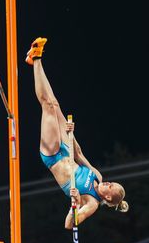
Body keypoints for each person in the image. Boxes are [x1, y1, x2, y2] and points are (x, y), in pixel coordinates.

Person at [26, 37, 129, 229]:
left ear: (107, 196)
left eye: (110, 186)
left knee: (47, 107)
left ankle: (37, 58)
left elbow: (69, 224)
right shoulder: (97, 176)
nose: (108, 182)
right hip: (67, 147)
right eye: (112, 182)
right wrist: (71, 134)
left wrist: (73, 204)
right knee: (54, 103)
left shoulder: (91, 204)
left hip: (53, 158)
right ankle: (34, 60)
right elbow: (79, 154)